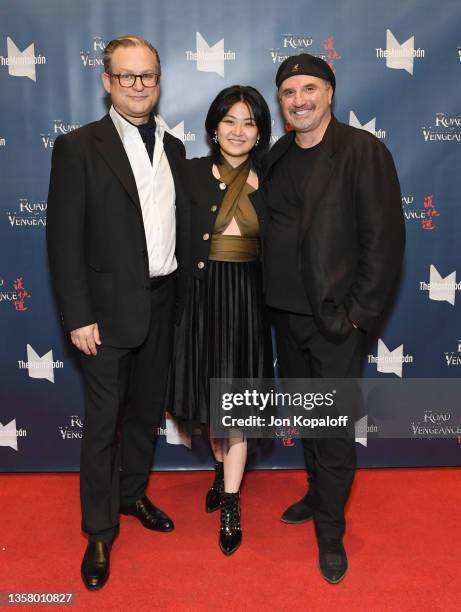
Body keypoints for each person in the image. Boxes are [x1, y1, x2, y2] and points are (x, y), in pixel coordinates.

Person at [46, 35, 189, 590]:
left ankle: (132, 497)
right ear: (107, 81)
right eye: (126, 76)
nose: (138, 85)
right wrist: (78, 315)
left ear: (158, 80)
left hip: (163, 303)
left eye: (147, 75)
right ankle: (99, 532)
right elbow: (63, 241)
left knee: (145, 413)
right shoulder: (79, 146)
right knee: (103, 425)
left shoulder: (174, 147)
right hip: (103, 316)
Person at [261, 54, 405, 583]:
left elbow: (384, 242)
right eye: (289, 92)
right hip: (285, 317)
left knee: (334, 428)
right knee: (310, 421)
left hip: (334, 323)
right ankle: (318, 494)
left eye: (309, 89)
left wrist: (357, 318)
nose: (299, 100)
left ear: (330, 93)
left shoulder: (362, 151)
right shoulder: (276, 154)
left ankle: (330, 530)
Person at [169, 85, 272, 556]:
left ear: (259, 133)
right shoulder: (186, 173)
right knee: (211, 405)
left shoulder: (272, 178)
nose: (237, 130)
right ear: (214, 127)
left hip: (246, 303)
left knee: (236, 409)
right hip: (199, 300)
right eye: (229, 120)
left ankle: (230, 501)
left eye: (248, 122)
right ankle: (219, 472)